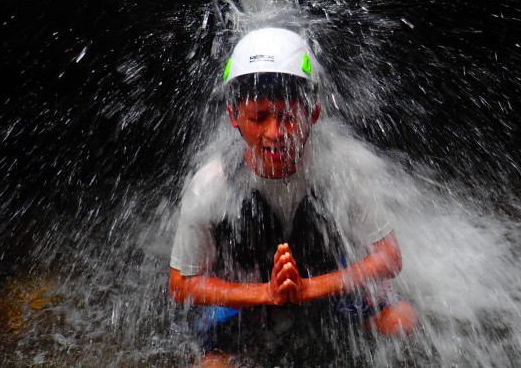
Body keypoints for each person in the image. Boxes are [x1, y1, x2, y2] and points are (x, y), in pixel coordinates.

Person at [169, 27, 417, 366]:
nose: (275, 133)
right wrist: (264, 294)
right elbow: (182, 283)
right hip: (247, 289)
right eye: (258, 117)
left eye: (288, 116)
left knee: (400, 321)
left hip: (323, 275)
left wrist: (309, 288)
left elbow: (389, 257)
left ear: (312, 114)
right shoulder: (212, 185)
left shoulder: (338, 168)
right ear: (234, 116)